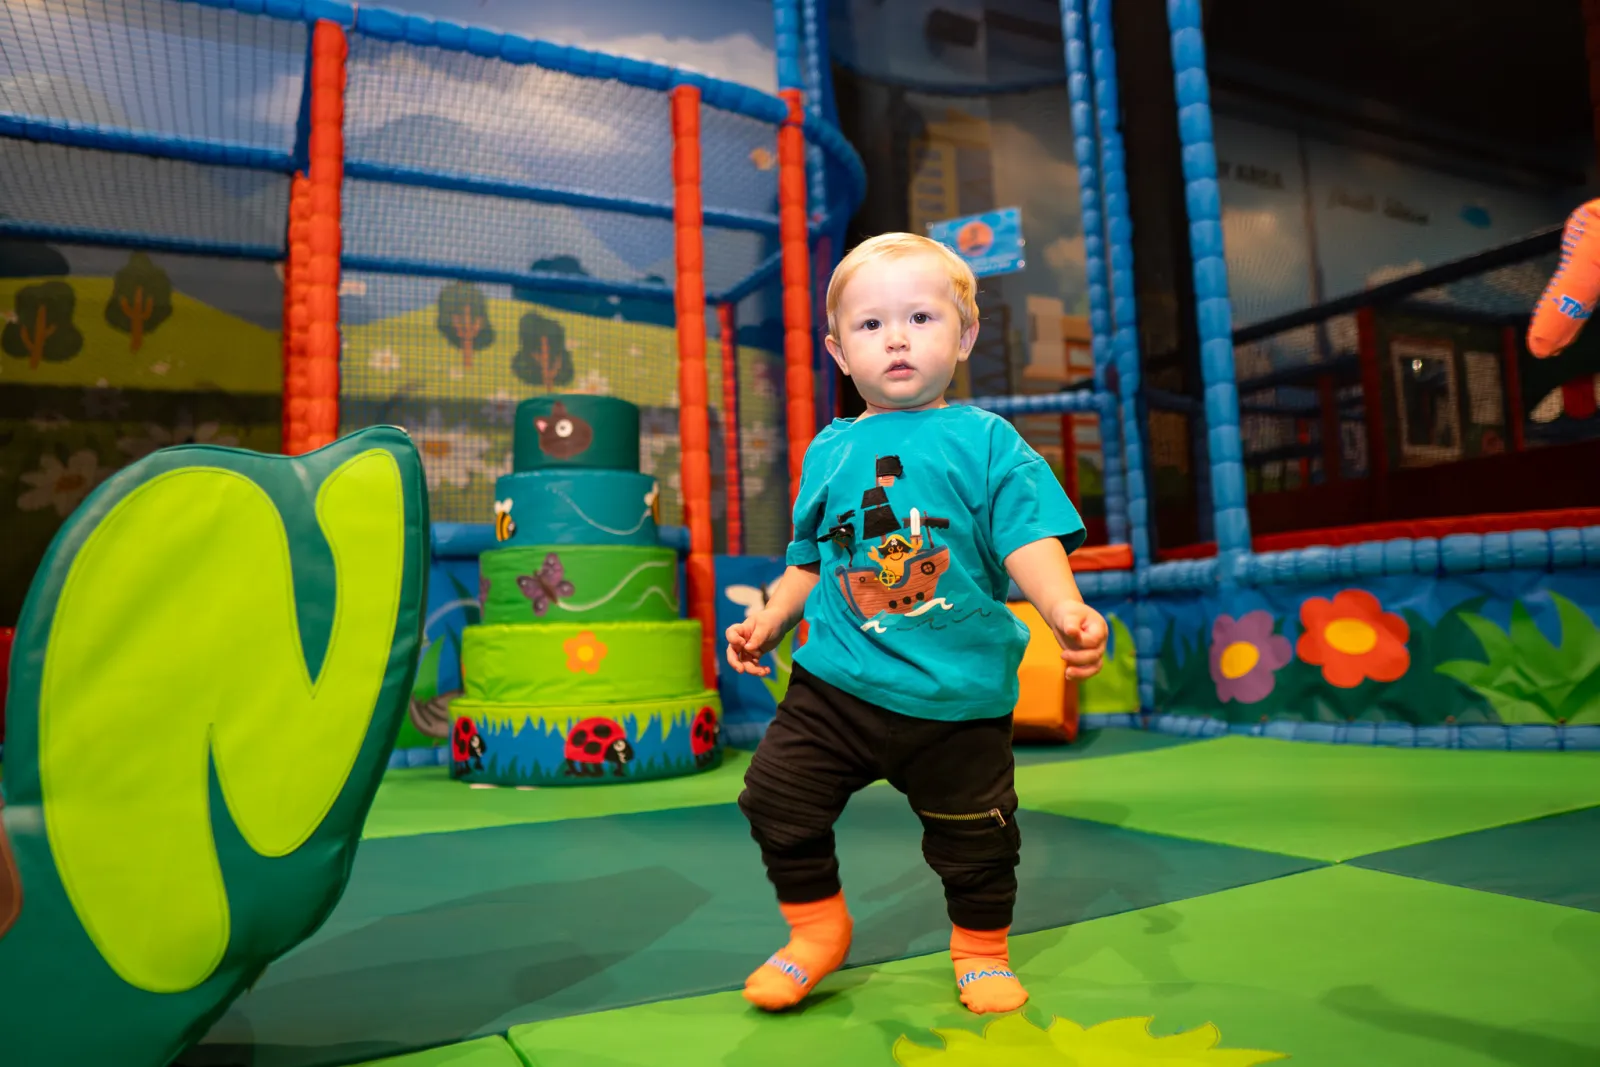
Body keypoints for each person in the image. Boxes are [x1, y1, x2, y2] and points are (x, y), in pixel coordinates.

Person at [725, 232, 1109, 1016]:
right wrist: (771, 616)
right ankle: (816, 928)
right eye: (871, 325)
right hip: (837, 682)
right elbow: (809, 560)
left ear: (964, 337)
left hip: (956, 694)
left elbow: (1027, 535)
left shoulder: (986, 439)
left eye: (921, 318)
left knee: (977, 837)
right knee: (774, 798)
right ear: (839, 352)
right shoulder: (830, 450)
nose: (896, 338)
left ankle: (980, 949)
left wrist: (1062, 607)